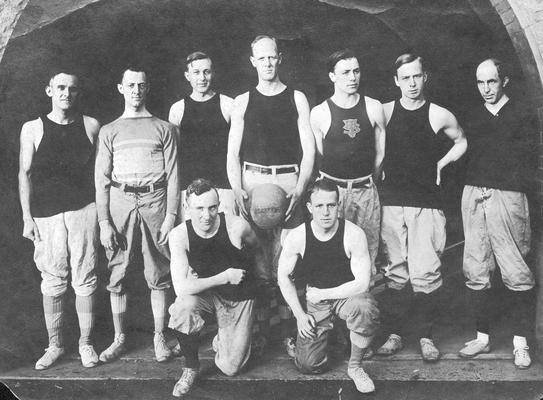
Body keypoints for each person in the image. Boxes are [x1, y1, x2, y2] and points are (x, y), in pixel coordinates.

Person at [377, 53, 467, 361]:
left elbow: (462, 141)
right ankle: (395, 333)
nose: (412, 83)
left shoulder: (439, 114)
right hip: (391, 204)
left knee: (426, 272)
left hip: (426, 205)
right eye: (405, 78)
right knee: (395, 273)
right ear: (396, 81)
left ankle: (426, 337)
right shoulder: (385, 112)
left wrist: (442, 163)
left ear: (424, 77)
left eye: (417, 76)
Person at [95, 65, 180, 364]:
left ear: (147, 88)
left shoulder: (164, 128)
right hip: (120, 201)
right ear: (121, 88)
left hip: (155, 201)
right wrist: (104, 222)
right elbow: (101, 180)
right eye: (130, 85)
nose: (135, 91)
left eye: (141, 85)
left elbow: (173, 176)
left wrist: (170, 216)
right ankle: (119, 337)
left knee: (158, 270)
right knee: (118, 269)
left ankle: (159, 336)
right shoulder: (109, 130)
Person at [18, 70, 101, 369]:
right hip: (46, 214)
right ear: (49, 91)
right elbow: (24, 174)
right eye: (61, 87)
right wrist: (27, 217)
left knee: (85, 276)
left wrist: (102, 216)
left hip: (83, 211)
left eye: (73, 88)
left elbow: (101, 175)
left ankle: (86, 344)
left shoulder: (91, 125)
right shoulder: (32, 128)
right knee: (52, 280)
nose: (67, 93)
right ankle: (54, 345)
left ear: (78, 93)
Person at [457, 59, 535, 368]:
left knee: (515, 269)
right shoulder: (473, 116)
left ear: (504, 81)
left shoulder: (521, 113)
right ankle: (483, 337)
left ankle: (521, 343)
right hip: (474, 193)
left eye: (491, 82)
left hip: (508, 196)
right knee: (475, 268)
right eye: (480, 83)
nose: (486, 89)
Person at [226, 34, 315, 281]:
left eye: (272, 57)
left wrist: (300, 188)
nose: (267, 63)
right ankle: (263, 315)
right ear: (253, 61)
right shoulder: (242, 101)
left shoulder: (297, 98)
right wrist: (236, 188)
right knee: (257, 256)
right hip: (253, 180)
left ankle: (287, 315)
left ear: (280, 59)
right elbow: (232, 152)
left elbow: (309, 150)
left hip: (288, 181)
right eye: (261, 58)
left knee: (288, 255)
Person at [277, 179, 379, 393]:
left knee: (365, 307)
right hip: (317, 303)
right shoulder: (297, 236)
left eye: (331, 205)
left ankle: (355, 367)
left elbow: (362, 283)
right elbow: (283, 277)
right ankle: (337, 337)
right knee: (308, 365)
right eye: (320, 206)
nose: (325, 212)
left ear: (338, 206)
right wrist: (299, 315)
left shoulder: (353, 234)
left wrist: (324, 293)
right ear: (309, 208)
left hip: (346, 296)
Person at [167, 179, 258, 397]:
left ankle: (227, 336)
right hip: (208, 293)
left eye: (212, 208)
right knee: (183, 306)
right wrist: (225, 276)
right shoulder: (179, 235)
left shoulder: (237, 226)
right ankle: (190, 366)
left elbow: (257, 249)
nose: (206, 215)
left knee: (230, 367)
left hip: (237, 296)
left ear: (219, 206)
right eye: (199, 208)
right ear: (187, 208)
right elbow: (181, 288)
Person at [310, 49, 386, 274]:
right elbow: (321, 154)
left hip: (365, 190)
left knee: (367, 252)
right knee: (331, 251)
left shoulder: (373, 106)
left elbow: (380, 152)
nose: (352, 77)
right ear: (332, 76)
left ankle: (362, 302)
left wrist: (367, 182)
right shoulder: (320, 113)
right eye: (345, 73)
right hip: (333, 192)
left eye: (356, 71)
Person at [168, 51, 236, 220]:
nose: (202, 78)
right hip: (189, 190)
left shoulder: (228, 104)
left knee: (227, 242)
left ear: (212, 73)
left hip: (224, 189)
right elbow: (174, 157)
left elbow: (237, 152)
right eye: (196, 72)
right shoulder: (177, 109)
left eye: (206, 72)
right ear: (187, 76)